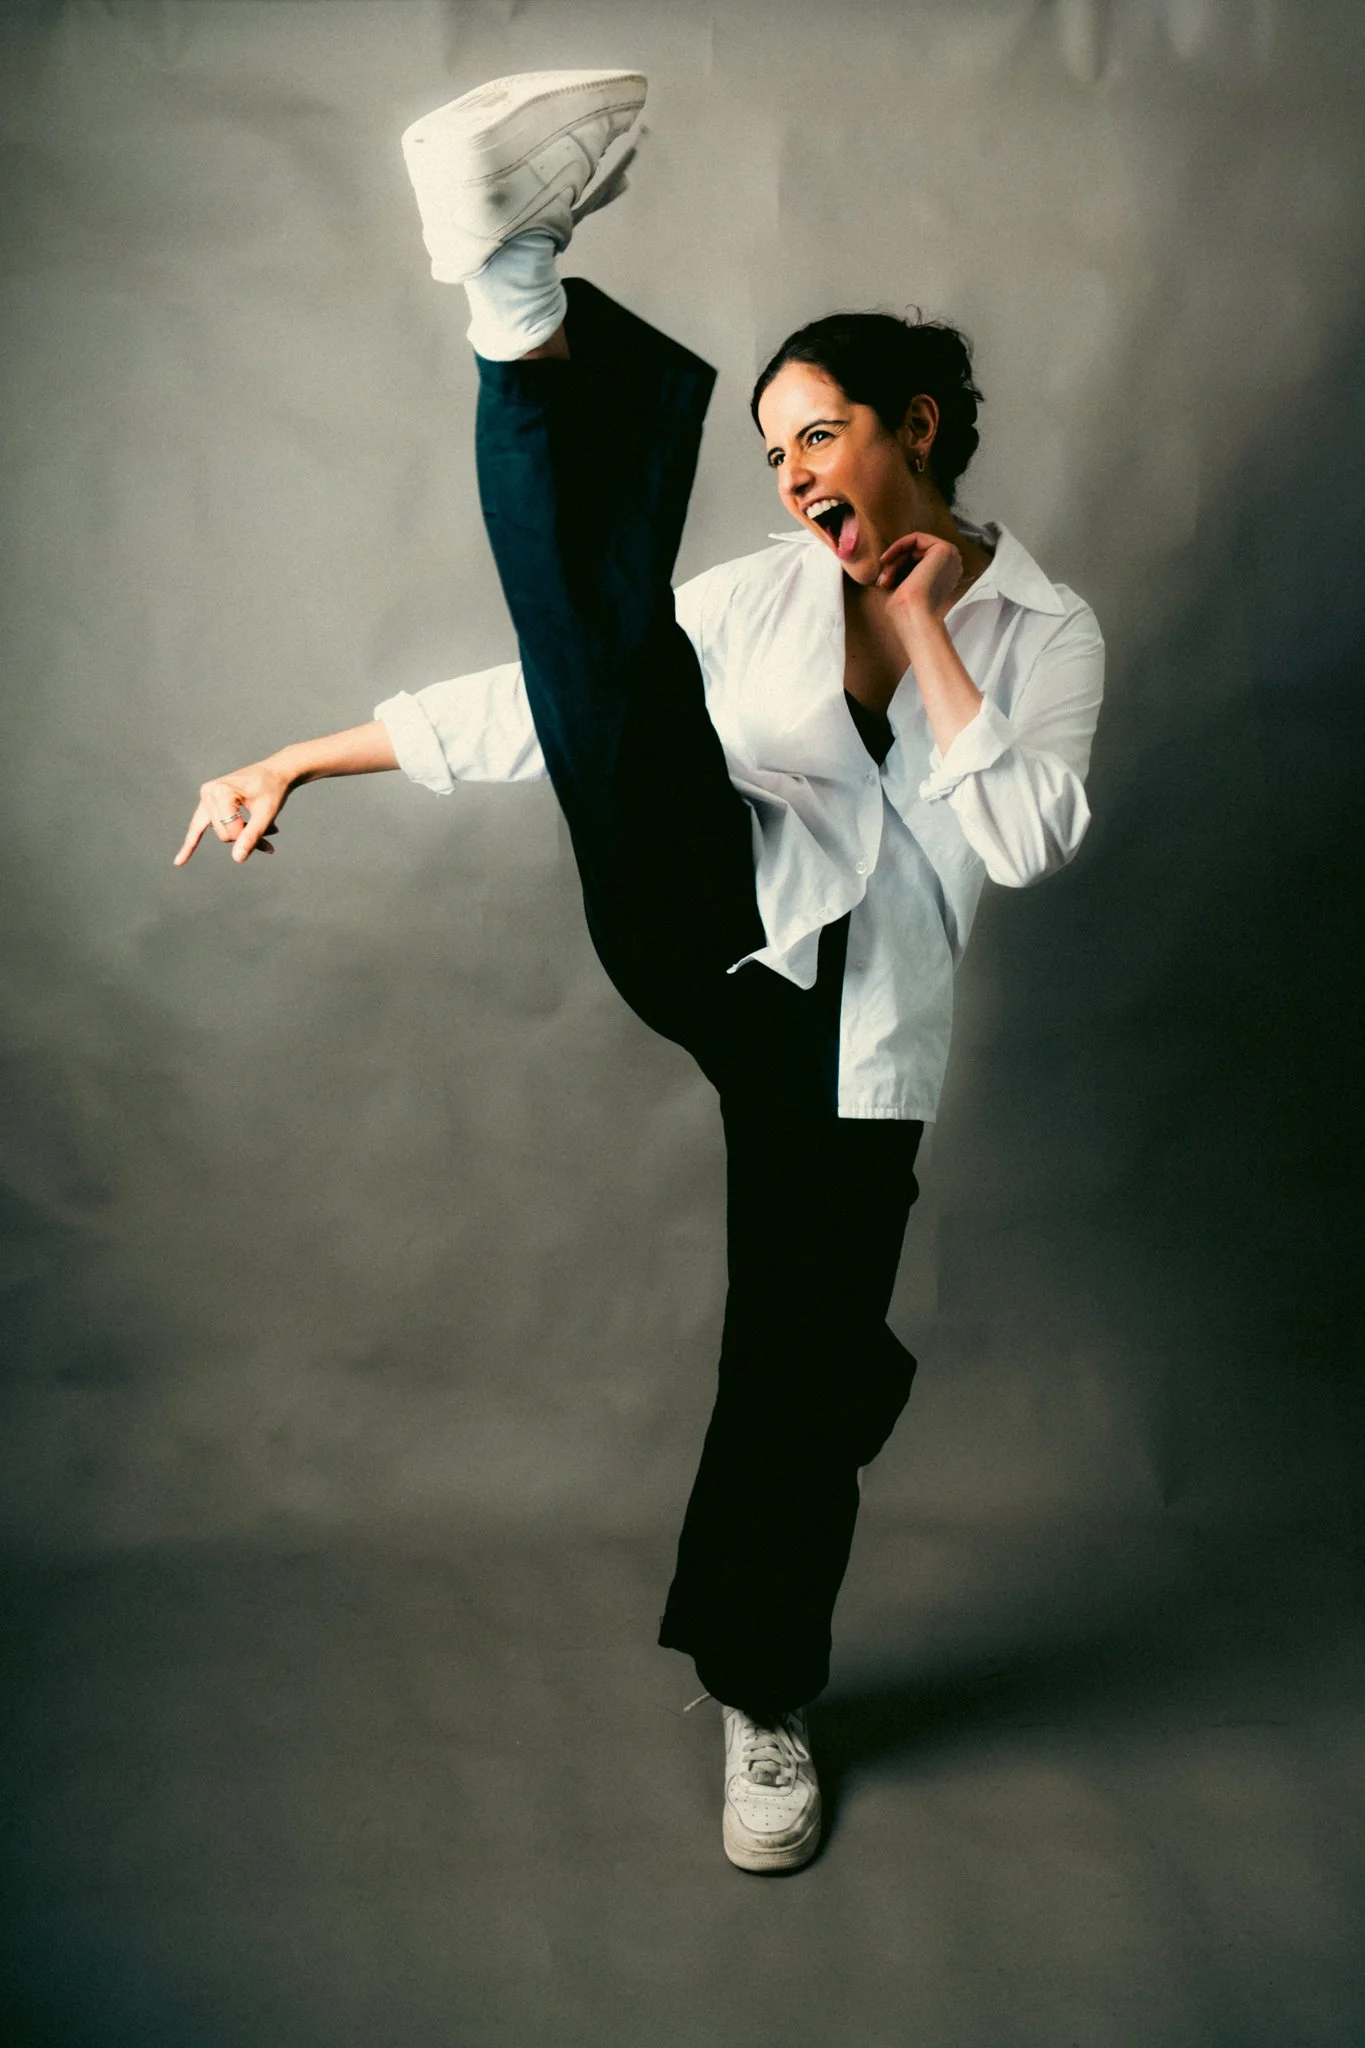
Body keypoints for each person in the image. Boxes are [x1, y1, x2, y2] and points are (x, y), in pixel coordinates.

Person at [174, 69, 1105, 1875]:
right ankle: (515, 306)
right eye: (771, 455)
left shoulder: (1043, 632)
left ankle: (766, 1692)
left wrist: (927, 628)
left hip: (861, 1043)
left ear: (914, 426)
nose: (793, 476)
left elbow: (1026, 839)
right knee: (613, 662)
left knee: (806, 1375)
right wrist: (299, 759)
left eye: (816, 437)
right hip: (707, 918)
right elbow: (547, 701)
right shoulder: (761, 597)